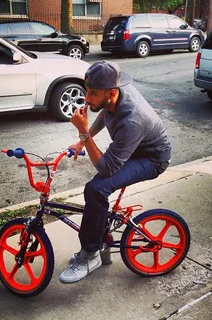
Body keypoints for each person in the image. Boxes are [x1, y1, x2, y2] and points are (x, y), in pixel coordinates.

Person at [59, 61, 171, 284]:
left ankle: (90, 255)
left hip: (152, 158)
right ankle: (103, 243)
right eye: (87, 90)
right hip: (133, 146)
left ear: (111, 92)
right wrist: (84, 140)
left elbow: (106, 168)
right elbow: (104, 111)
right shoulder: (113, 94)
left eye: (93, 93)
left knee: (96, 189)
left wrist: (83, 134)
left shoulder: (132, 121)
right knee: (98, 189)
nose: (87, 98)